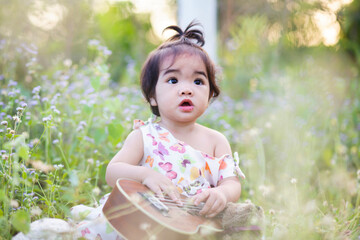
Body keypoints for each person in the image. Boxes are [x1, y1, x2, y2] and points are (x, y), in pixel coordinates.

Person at [106, 20, 243, 220]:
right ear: (152, 96)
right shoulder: (145, 136)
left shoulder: (216, 141)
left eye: (198, 81)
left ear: (210, 94)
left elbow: (232, 183)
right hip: (145, 221)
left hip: (193, 224)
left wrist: (222, 193)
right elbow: (112, 172)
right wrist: (146, 175)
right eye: (173, 80)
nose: (186, 89)